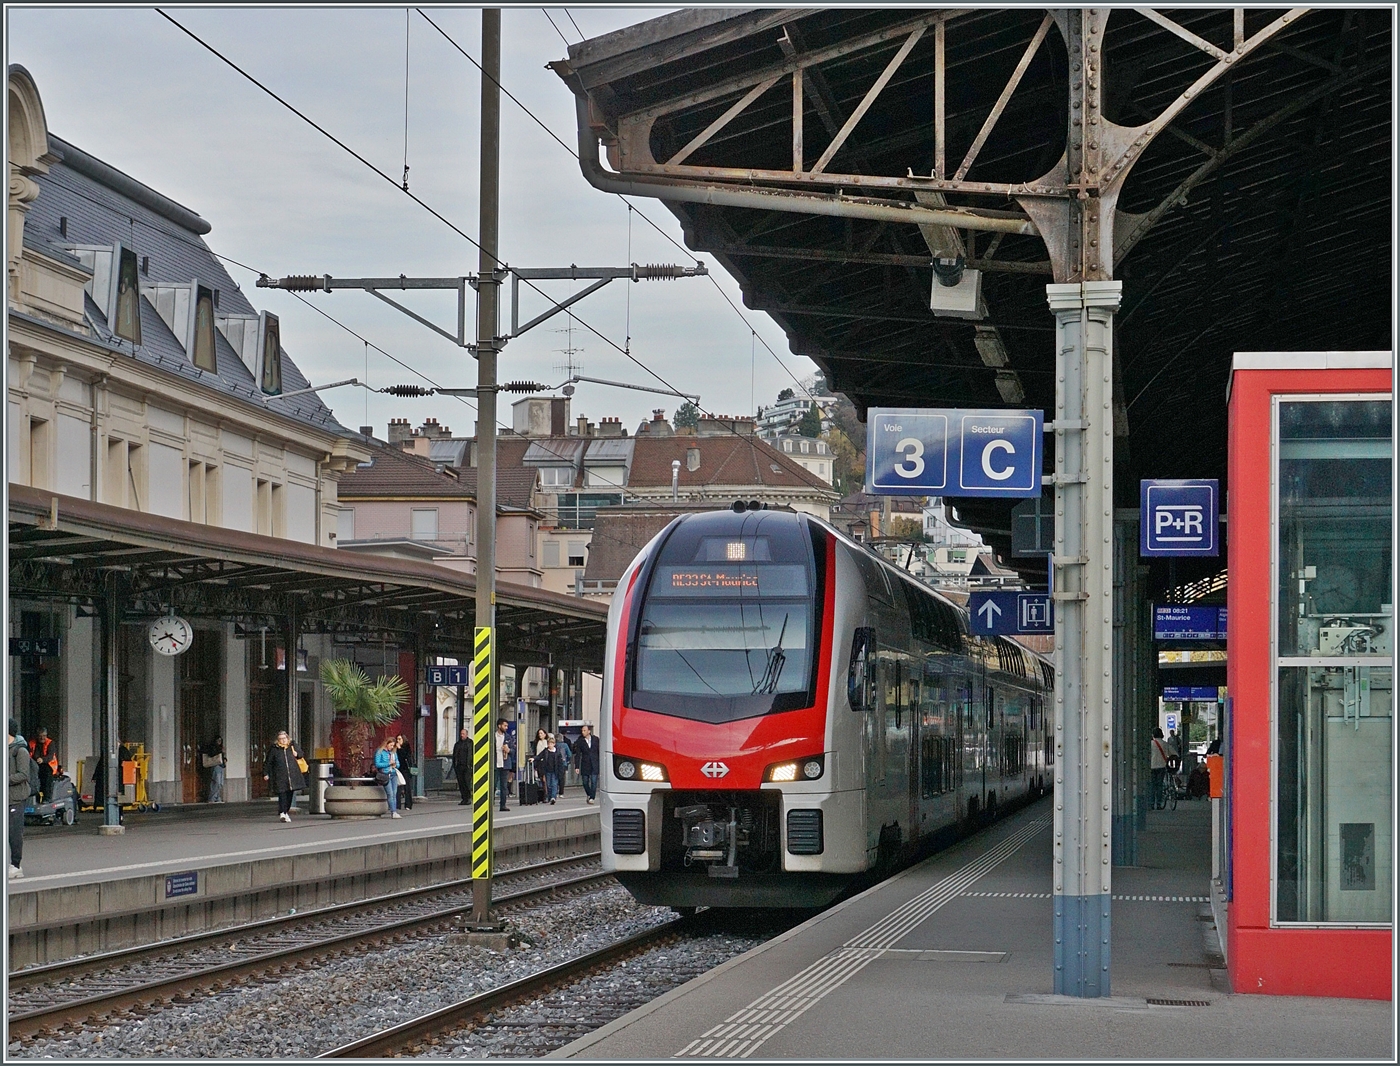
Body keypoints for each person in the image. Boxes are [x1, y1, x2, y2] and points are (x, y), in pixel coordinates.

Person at [263, 730, 307, 823]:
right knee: (282, 793)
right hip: (280, 775)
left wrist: (297, 754)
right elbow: (268, 762)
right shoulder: (274, 749)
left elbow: (301, 754)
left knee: (290, 794)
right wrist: (265, 773)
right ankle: (282, 813)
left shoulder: (292, 745)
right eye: (280, 739)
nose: (283, 740)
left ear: (287, 738)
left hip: (292, 775)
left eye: (284, 738)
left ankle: (285, 811)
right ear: (278, 740)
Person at [8, 719, 32, 877]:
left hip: (16, 798)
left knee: (14, 833)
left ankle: (16, 866)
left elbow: (24, 774)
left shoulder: (20, 751)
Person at [374, 737, 400, 819]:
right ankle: (393, 811)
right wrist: (388, 763)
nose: (392, 747)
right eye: (391, 745)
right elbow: (377, 764)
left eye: (393, 745)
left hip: (393, 773)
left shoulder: (393, 752)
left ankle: (394, 810)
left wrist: (396, 764)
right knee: (390, 793)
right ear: (386, 744)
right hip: (385, 774)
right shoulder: (380, 752)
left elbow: (398, 763)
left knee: (394, 793)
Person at [574, 723, 600, 805]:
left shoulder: (596, 739)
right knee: (585, 782)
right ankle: (589, 794)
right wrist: (577, 766)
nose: (583, 732)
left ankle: (592, 797)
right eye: (582, 731)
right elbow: (578, 754)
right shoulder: (580, 741)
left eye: (584, 730)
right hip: (585, 763)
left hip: (594, 763)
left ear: (589, 731)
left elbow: (599, 751)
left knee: (594, 781)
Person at [28, 727, 56, 803]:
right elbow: (31, 753)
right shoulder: (32, 743)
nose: (42, 738)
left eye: (44, 736)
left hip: (48, 765)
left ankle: (47, 797)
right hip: (35, 764)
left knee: (46, 778)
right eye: (40, 736)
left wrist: (42, 759)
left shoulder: (50, 743)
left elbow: (50, 756)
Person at [534, 735, 563, 805]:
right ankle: (550, 797)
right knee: (548, 785)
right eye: (549, 744)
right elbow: (539, 756)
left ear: (554, 744)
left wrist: (561, 771)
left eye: (551, 744)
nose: (550, 745)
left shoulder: (557, 752)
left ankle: (553, 797)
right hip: (547, 770)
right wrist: (534, 758)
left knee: (554, 784)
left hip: (555, 771)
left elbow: (560, 763)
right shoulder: (546, 751)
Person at [1150, 727, 1170, 810]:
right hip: (1161, 766)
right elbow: (1173, 754)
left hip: (1152, 766)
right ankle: (1158, 803)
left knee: (1152, 785)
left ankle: (1151, 803)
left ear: (1153, 735)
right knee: (1159, 785)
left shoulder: (1150, 744)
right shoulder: (1165, 744)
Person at [201, 736, 226, 803]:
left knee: (220, 783)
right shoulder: (212, 747)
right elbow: (211, 754)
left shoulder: (220, 747)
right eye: (218, 740)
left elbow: (222, 756)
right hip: (215, 765)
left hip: (221, 766)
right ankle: (212, 798)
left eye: (220, 740)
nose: (219, 742)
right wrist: (220, 751)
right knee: (216, 782)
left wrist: (225, 759)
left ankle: (217, 797)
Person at [452, 727, 473, 806]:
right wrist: (455, 765)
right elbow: (454, 755)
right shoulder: (457, 744)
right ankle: (464, 798)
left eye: (463, 734)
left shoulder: (470, 743)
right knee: (461, 783)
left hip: (467, 766)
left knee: (467, 782)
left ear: (467, 735)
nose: (462, 735)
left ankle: (468, 798)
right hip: (459, 766)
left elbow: (471, 754)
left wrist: (471, 765)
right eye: (461, 734)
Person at [495, 718, 511, 812]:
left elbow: (513, 749)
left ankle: (503, 805)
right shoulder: (493, 736)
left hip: (505, 764)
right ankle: (490, 803)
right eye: (505, 726)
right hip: (495, 764)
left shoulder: (508, 737)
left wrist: (509, 750)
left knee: (504, 785)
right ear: (499, 726)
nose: (506, 727)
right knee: (492, 785)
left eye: (507, 726)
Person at [395, 734, 414, 811]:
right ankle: (397, 805)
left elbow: (406, 756)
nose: (398, 741)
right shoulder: (395, 748)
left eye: (399, 739)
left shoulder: (406, 747)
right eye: (397, 739)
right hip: (398, 768)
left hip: (405, 769)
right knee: (398, 786)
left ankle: (408, 804)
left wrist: (400, 748)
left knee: (407, 787)